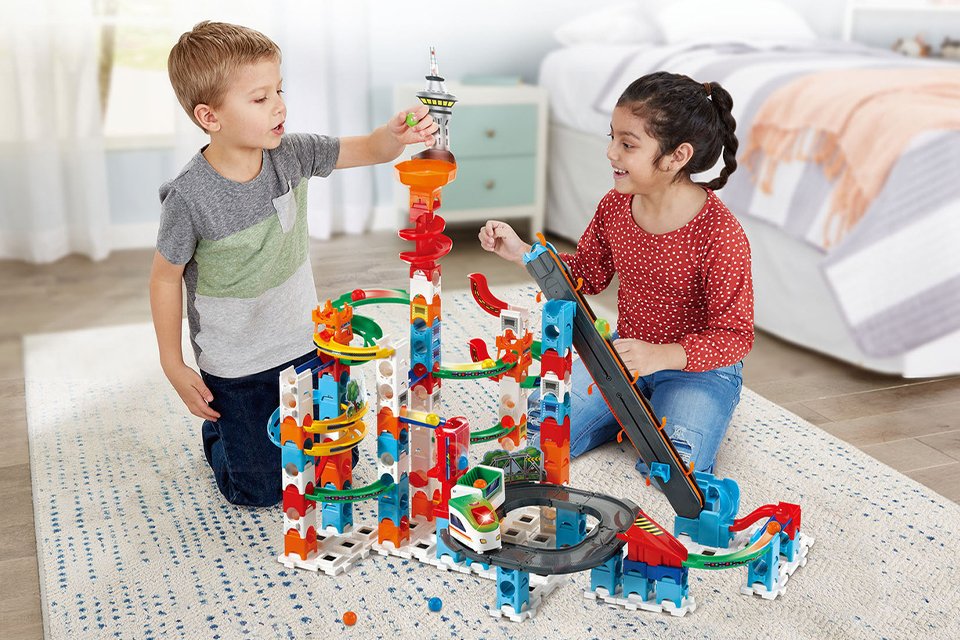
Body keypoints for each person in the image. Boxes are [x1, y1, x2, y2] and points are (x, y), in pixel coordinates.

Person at [149, 21, 437, 506]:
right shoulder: (189, 198)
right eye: (259, 98)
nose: (279, 105)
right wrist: (172, 362)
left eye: (278, 90)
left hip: (305, 342)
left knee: (336, 462)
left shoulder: (293, 153)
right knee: (260, 490)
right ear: (210, 116)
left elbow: (367, 149)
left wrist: (394, 135)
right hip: (236, 364)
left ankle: (256, 439)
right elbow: (164, 279)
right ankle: (222, 442)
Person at [479, 72, 753, 477]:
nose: (610, 152)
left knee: (675, 470)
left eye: (627, 144)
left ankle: (666, 416)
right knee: (542, 434)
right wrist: (523, 253)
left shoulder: (720, 233)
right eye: (612, 137)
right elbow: (586, 275)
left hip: (698, 371)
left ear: (677, 156)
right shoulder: (615, 207)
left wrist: (661, 356)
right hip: (624, 360)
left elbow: (735, 336)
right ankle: (623, 412)